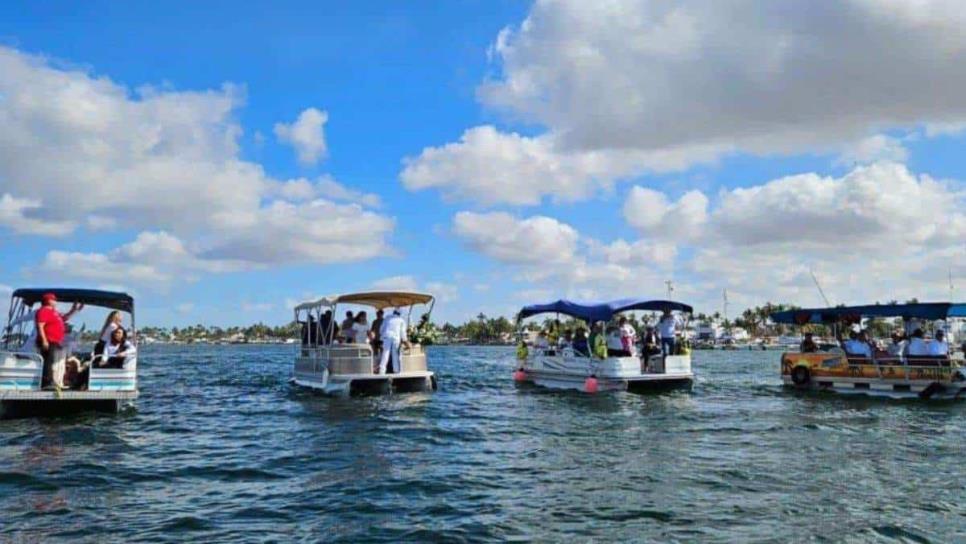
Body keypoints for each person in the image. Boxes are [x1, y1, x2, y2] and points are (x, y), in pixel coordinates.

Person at [35, 293, 83, 389]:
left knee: (52, 361)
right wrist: (44, 340)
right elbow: (40, 326)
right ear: (49, 301)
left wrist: (74, 309)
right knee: (48, 361)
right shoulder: (43, 311)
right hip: (48, 340)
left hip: (55, 341)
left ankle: (52, 381)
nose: (56, 302)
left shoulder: (54, 312)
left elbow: (65, 318)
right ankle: (47, 383)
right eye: (54, 300)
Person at [379, 309, 409, 374]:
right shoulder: (401, 320)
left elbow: (381, 329)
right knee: (395, 354)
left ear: (393, 312)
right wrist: (406, 341)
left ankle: (382, 370)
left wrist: (382, 336)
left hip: (387, 337)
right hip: (396, 338)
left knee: (385, 353)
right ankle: (396, 370)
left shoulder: (387, 317)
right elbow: (403, 333)